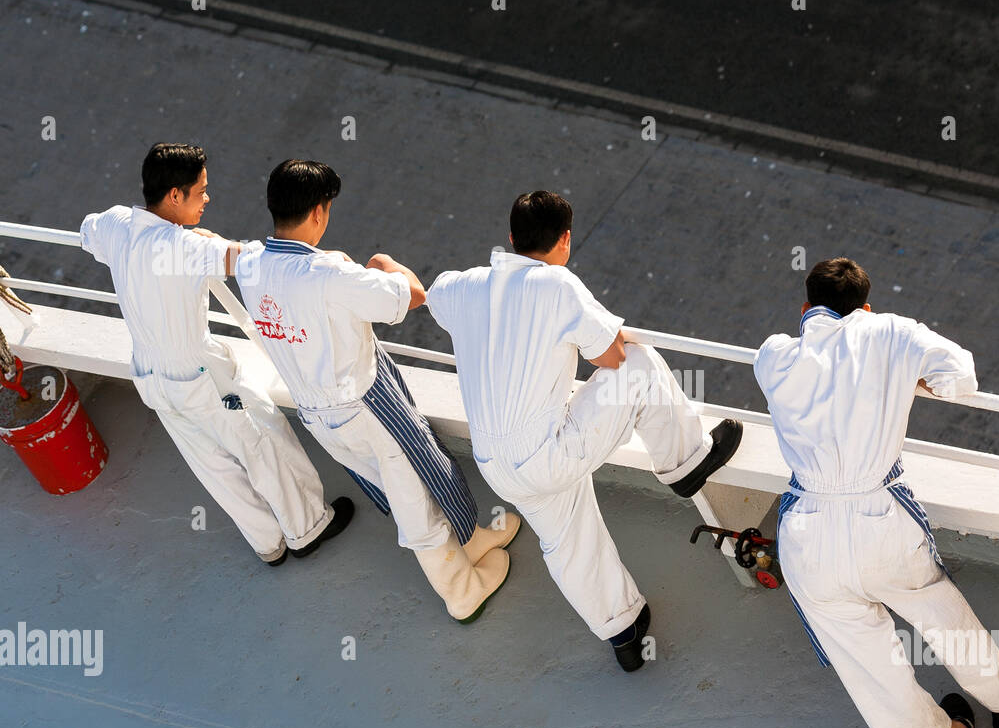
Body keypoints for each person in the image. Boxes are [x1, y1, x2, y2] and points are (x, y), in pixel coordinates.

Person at [754, 257, 999, 728]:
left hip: (806, 532)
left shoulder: (772, 355)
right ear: (866, 308)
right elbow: (960, 377)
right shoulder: (889, 333)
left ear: (805, 308)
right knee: (943, 620)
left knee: (868, 663)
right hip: (879, 522)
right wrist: (908, 382)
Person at [427, 191, 744, 671]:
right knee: (640, 362)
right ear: (566, 240)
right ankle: (686, 462)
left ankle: (623, 629)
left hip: (497, 465)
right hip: (549, 450)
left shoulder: (461, 287)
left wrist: (388, 266)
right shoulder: (557, 285)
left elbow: (427, 295)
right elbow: (612, 356)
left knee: (567, 541)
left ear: (511, 238)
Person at [235, 160, 516, 622]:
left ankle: (470, 539)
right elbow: (412, 294)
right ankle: (461, 590)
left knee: (412, 477)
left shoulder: (250, 267)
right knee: (417, 490)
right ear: (320, 213)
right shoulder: (330, 276)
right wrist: (382, 262)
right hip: (368, 407)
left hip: (318, 413)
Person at [80, 143, 349, 567]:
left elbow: (87, 228)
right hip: (199, 373)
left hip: (151, 376)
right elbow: (252, 260)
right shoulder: (184, 248)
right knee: (263, 439)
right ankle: (308, 528)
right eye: (200, 191)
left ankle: (268, 544)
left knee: (214, 466)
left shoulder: (117, 224)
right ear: (174, 196)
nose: (208, 199)